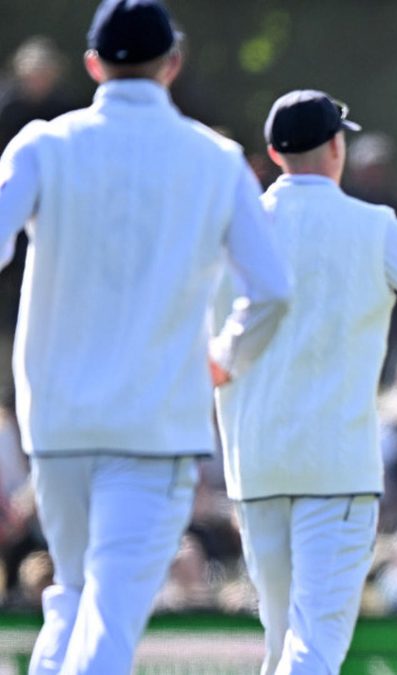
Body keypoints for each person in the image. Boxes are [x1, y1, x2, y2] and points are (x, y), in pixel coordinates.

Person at [0, 1, 292, 672]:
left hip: (58, 422)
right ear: (173, 64)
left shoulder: (46, 144)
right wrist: (226, 356)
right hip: (155, 425)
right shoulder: (215, 160)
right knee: (108, 614)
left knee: (72, 595)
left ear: (94, 64)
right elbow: (271, 289)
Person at [215, 89, 397, 674]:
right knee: (312, 649)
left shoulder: (235, 227)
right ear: (337, 147)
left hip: (254, 464)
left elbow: (208, 344)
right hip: (334, 467)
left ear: (273, 152)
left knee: (282, 643)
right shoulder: (371, 225)